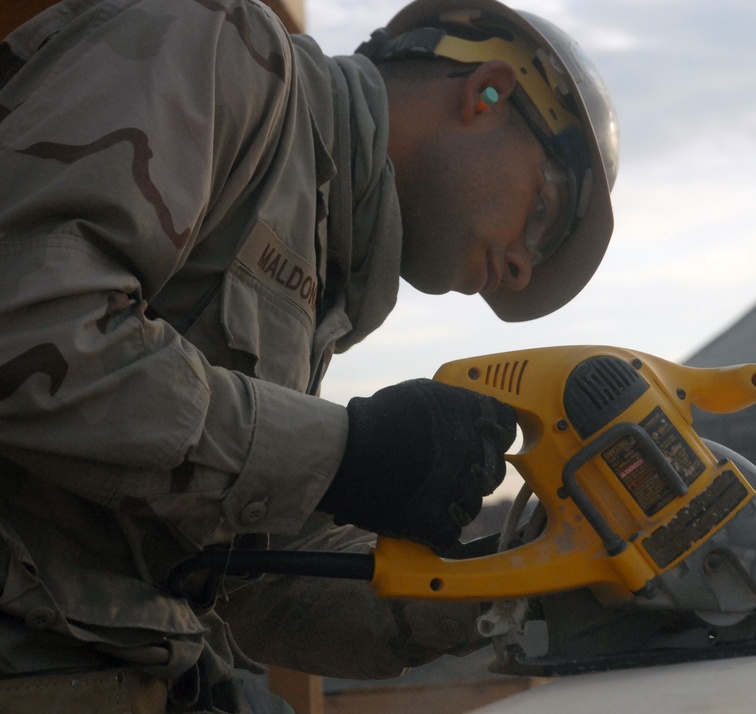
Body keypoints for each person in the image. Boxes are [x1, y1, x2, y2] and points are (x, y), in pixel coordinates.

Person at [0, 0, 619, 710]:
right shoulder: (220, 46)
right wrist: (345, 452)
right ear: (486, 93)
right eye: (543, 213)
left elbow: (248, 582)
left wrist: (518, 577)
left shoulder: (322, 267)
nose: (520, 270)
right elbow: (27, 320)